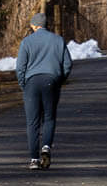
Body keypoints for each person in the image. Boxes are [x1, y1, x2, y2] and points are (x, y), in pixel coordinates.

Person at [14, 12, 73, 169]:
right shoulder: (58, 40)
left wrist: (23, 84)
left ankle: (34, 159)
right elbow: (67, 64)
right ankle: (46, 146)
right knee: (49, 117)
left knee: (32, 122)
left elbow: (20, 67)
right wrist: (59, 80)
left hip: (31, 83)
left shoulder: (26, 42)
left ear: (34, 25)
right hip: (51, 81)